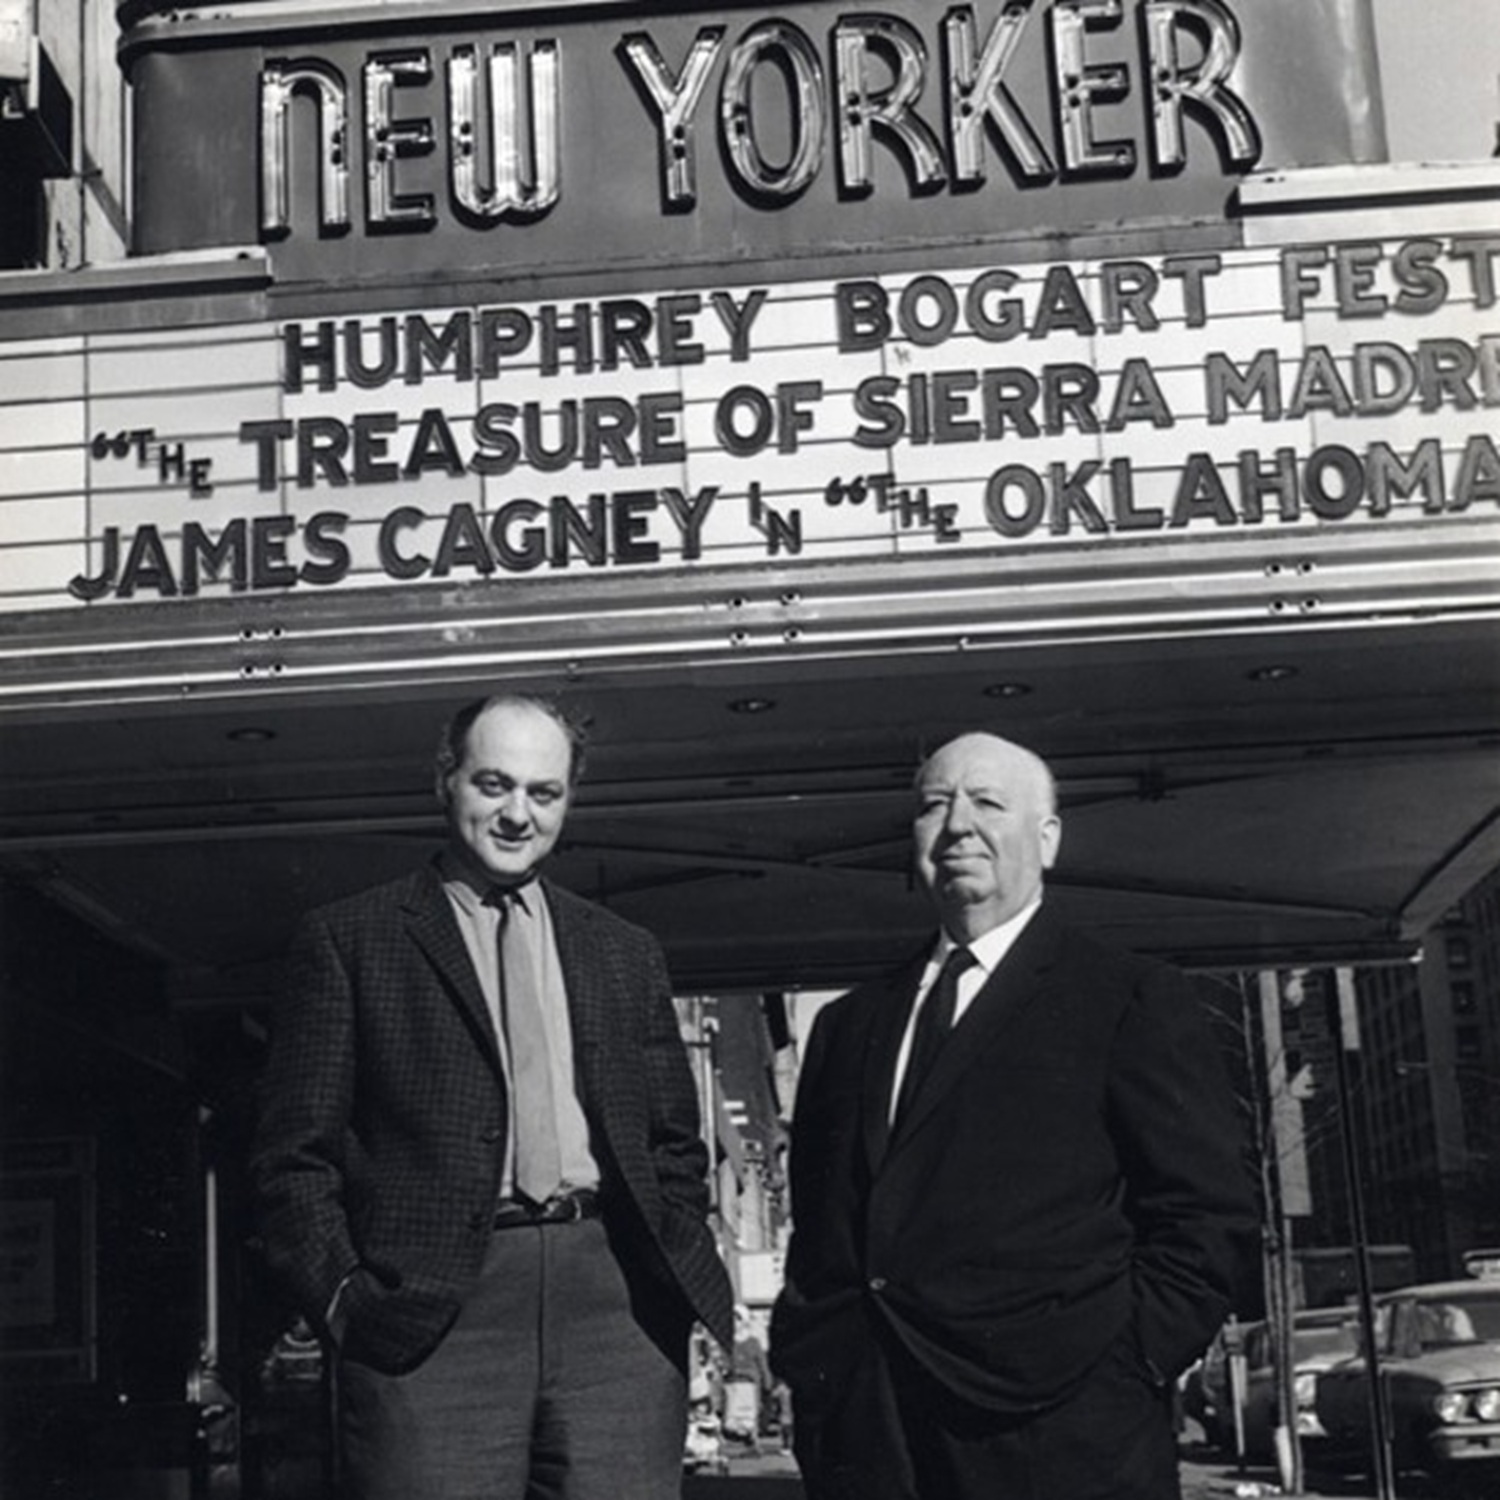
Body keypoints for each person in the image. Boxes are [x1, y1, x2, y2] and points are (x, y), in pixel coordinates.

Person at [251, 692, 734, 1500]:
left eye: (543, 794)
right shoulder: (350, 940)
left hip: (614, 1310)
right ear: (446, 781)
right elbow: (291, 1158)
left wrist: (668, 1269)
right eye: (494, 784)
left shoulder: (624, 953)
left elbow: (673, 1144)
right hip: (431, 1319)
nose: (518, 814)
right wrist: (347, 1301)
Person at [770, 731, 1259, 1500]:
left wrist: (1128, 1364)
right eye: (935, 805)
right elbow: (822, 1223)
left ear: (1048, 838)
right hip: (871, 1435)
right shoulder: (848, 1026)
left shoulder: (1127, 998)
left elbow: (1206, 1220)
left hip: (1060, 1435)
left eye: (988, 803)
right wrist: (811, 1362)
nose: (958, 823)